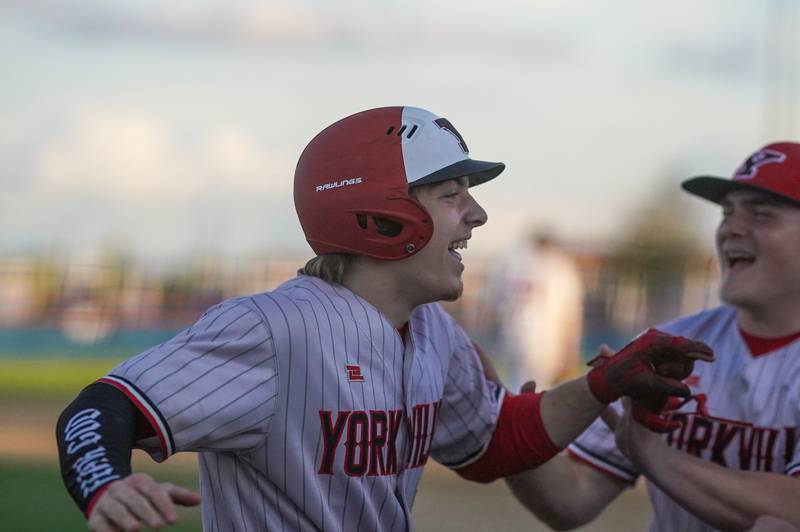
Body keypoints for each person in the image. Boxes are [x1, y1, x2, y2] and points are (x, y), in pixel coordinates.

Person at [55, 106, 711, 532]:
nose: (477, 216)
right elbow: (98, 410)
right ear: (380, 217)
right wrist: (105, 487)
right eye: (452, 195)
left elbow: (492, 446)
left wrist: (603, 387)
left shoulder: (432, 332)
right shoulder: (275, 330)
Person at [506, 141, 800, 531]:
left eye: (761, 215)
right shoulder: (670, 345)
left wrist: (653, 454)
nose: (731, 228)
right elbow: (572, 498)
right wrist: (498, 425)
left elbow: (792, 509)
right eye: (727, 213)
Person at [487, 228, 584, 391]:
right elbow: (571, 314)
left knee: (516, 386)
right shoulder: (561, 266)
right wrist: (571, 351)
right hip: (546, 341)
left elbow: (495, 306)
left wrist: (494, 336)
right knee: (538, 392)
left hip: (514, 337)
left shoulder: (511, 262)